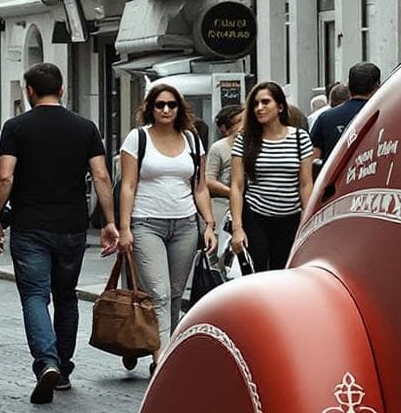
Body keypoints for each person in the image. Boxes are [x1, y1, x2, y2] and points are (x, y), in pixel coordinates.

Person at [0, 62, 119, 406]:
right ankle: (65, 368)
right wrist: (109, 221)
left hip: (30, 225)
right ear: (62, 90)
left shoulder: (15, 127)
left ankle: (46, 362)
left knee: (34, 295)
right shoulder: (85, 127)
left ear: (29, 91)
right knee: (66, 295)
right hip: (72, 225)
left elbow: (5, 178)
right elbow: (102, 177)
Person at [116, 84, 218, 342]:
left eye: (171, 105)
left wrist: (209, 224)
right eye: (159, 104)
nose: (165, 109)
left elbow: (200, 187)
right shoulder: (138, 138)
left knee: (174, 292)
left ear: (179, 108)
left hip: (185, 224)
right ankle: (159, 354)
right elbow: (127, 186)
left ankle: (167, 345)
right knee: (159, 292)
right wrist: (124, 227)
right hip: (146, 223)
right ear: (150, 108)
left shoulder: (192, 140)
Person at [230, 81, 313, 272]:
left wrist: (307, 221)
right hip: (255, 214)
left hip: (289, 216)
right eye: (255, 104)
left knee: (283, 271)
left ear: (280, 106)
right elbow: (237, 185)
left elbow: (306, 184)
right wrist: (237, 228)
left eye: (265, 102)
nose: (259, 108)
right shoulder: (245, 139)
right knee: (257, 271)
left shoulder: (300, 138)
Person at [309, 63, 379, 163]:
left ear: (349, 86)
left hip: (336, 177)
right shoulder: (385, 116)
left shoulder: (326, 118)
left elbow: (314, 159)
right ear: (377, 86)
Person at [205, 105, 244, 214]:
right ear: (225, 128)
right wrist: (234, 193)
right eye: (240, 121)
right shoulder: (219, 147)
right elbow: (209, 180)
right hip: (226, 205)